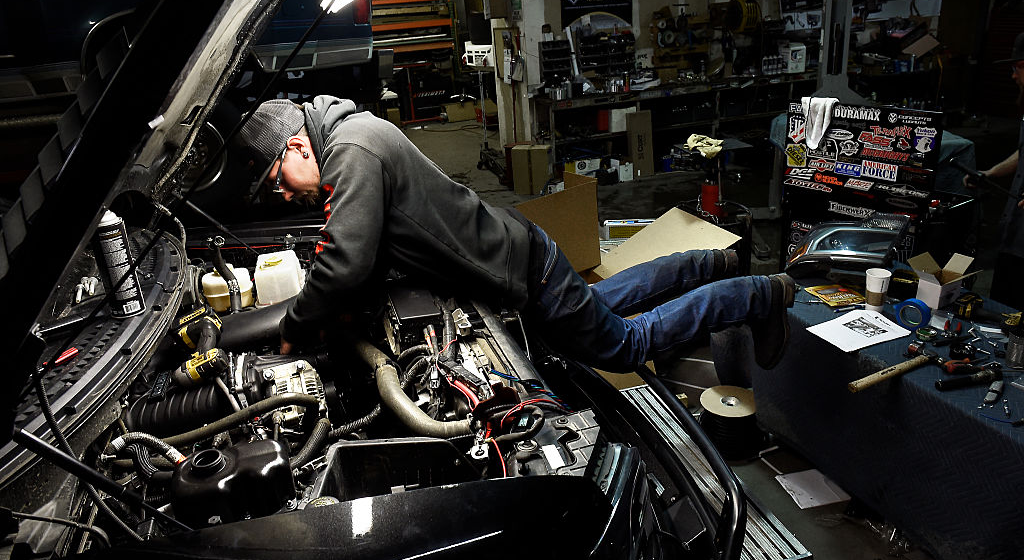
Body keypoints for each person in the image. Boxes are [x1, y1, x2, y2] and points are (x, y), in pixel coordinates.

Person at [237, 95, 795, 373]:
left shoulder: (349, 152)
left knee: (626, 345)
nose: (285, 195)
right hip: (520, 256)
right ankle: (716, 263)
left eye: (276, 181)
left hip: (526, 268)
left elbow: (345, 262)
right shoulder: (352, 135)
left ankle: (759, 295)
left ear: (295, 146)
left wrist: (295, 325)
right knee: (603, 300)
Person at [964, 32, 1024, 309]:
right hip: (1014, 229)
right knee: (1004, 303)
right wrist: (990, 173)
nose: (1013, 76)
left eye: (1017, 67)